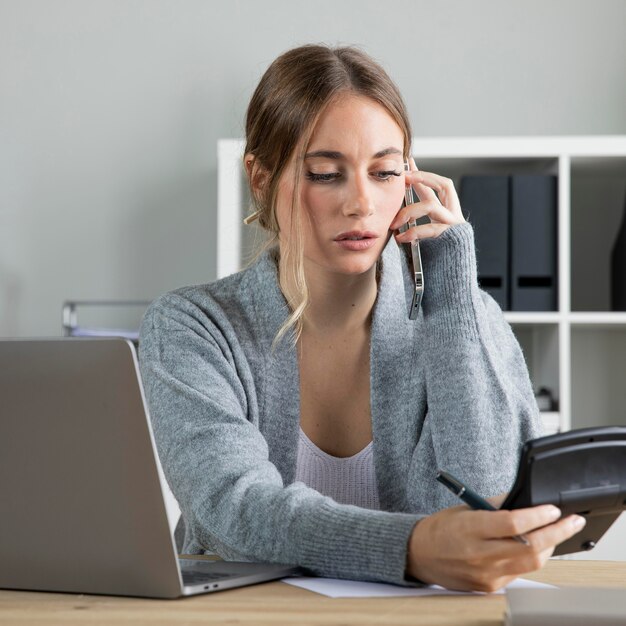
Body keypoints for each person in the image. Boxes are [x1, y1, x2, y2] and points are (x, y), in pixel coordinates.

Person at [138, 44, 585, 592]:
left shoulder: (463, 315)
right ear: (258, 178)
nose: (361, 203)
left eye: (384, 172)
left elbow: (489, 495)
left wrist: (452, 288)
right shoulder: (193, 326)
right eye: (326, 174)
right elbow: (233, 511)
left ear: (411, 178)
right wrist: (411, 548)